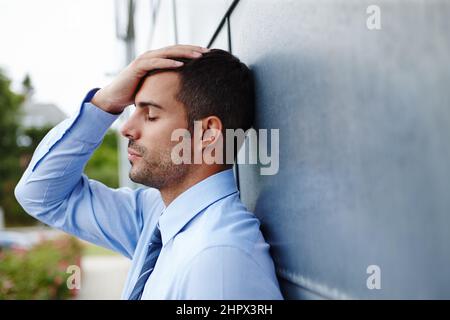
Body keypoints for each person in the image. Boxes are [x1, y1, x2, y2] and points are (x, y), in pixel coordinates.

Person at [15, 45, 283, 300]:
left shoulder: (219, 259)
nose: (126, 128)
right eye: (132, 111)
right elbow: (41, 196)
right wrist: (105, 102)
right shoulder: (153, 215)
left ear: (208, 133)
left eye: (151, 115)